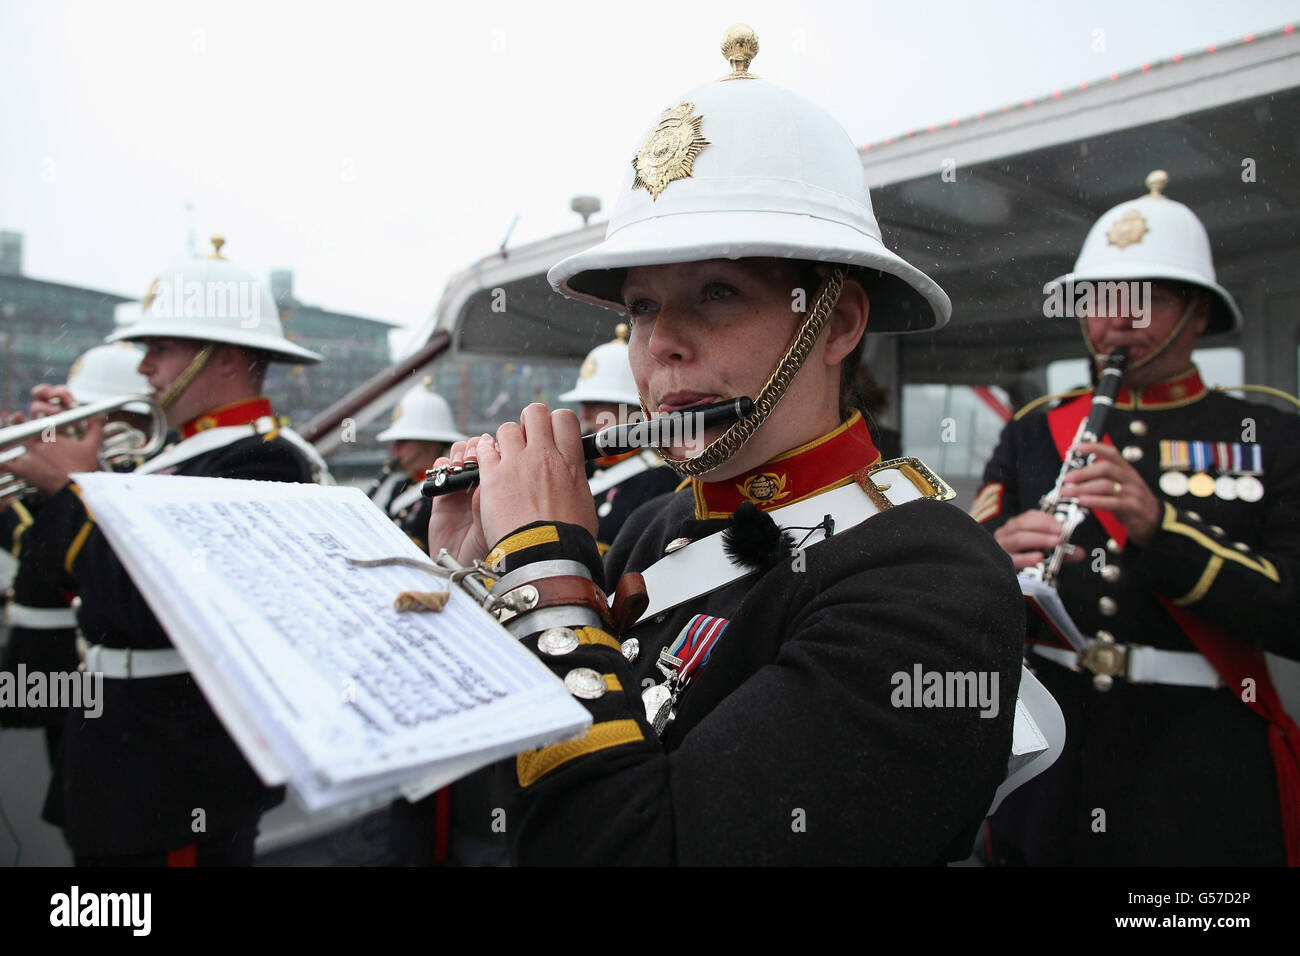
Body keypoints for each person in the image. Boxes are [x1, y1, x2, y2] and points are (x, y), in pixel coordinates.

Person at [425, 26, 1027, 865]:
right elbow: (521, 789)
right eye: (639, 306)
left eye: (715, 292)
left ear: (837, 320)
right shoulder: (653, 528)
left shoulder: (933, 582)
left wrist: (549, 571)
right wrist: (481, 582)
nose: (660, 344)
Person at [977, 172, 1300, 865]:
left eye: (1143, 299)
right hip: (1051, 755)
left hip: (1199, 768)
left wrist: (1161, 530)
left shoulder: (1268, 432)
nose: (1114, 319)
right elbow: (960, 590)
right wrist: (991, 562)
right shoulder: (1035, 432)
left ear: (1199, 315)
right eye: (1096, 299)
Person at [1, 235, 331, 866]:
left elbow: (150, 606)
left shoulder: (263, 462)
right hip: (112, 755)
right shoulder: (170, 455)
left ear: (225, 356)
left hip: (178, 771)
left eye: (159, 348)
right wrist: (67, 480)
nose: (144, 366)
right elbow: (57, 579)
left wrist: (72, 488)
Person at [0, 343, 156, 765]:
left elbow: (60, 562)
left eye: (92, 413)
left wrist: (66, 486)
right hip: (53, 666)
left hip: (96, 673)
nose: (76, 425)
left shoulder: (142, 475)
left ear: (135, 417)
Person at [560, 324, 682, 552]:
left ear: (634, 411)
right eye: (584, 404)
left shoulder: (659, 481)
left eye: (596, 405)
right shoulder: (575, 469)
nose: (585, 414)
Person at [369, 377, 466, 553]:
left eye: (403, 441)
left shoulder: (446, 492)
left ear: (430, 444)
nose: (394, 451)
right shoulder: (400, 486)